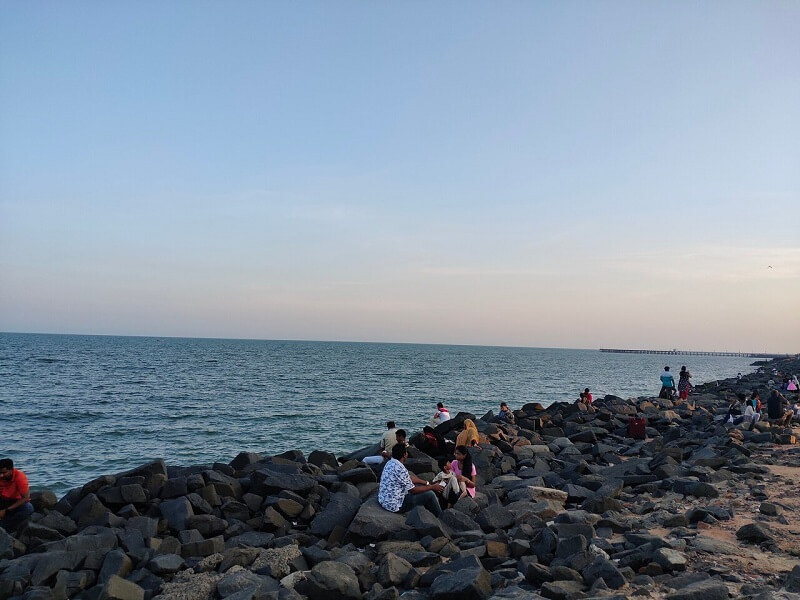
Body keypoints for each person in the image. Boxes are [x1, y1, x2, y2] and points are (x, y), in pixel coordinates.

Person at [377, 443, 442, 516]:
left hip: (384, 500)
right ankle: (440, 517)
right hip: (395, 506)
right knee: (430, 494)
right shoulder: (400, 468)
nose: (407, 454)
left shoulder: (390, 462)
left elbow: (409, 477)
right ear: (404, 455)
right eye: (407, 452)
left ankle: (428, 514)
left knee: (421, 486)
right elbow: (413, 490)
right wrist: (432, 487)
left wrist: (426, 483)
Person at [0, 459, 34, 532]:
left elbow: (26, 497)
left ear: (11, 470)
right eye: (0, 473)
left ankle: (4, 527)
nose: (1, 475)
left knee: (28, 508)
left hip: (15, 501)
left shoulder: (20, 477)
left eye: (4, 473)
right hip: (2, 500)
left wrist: (5, 510)